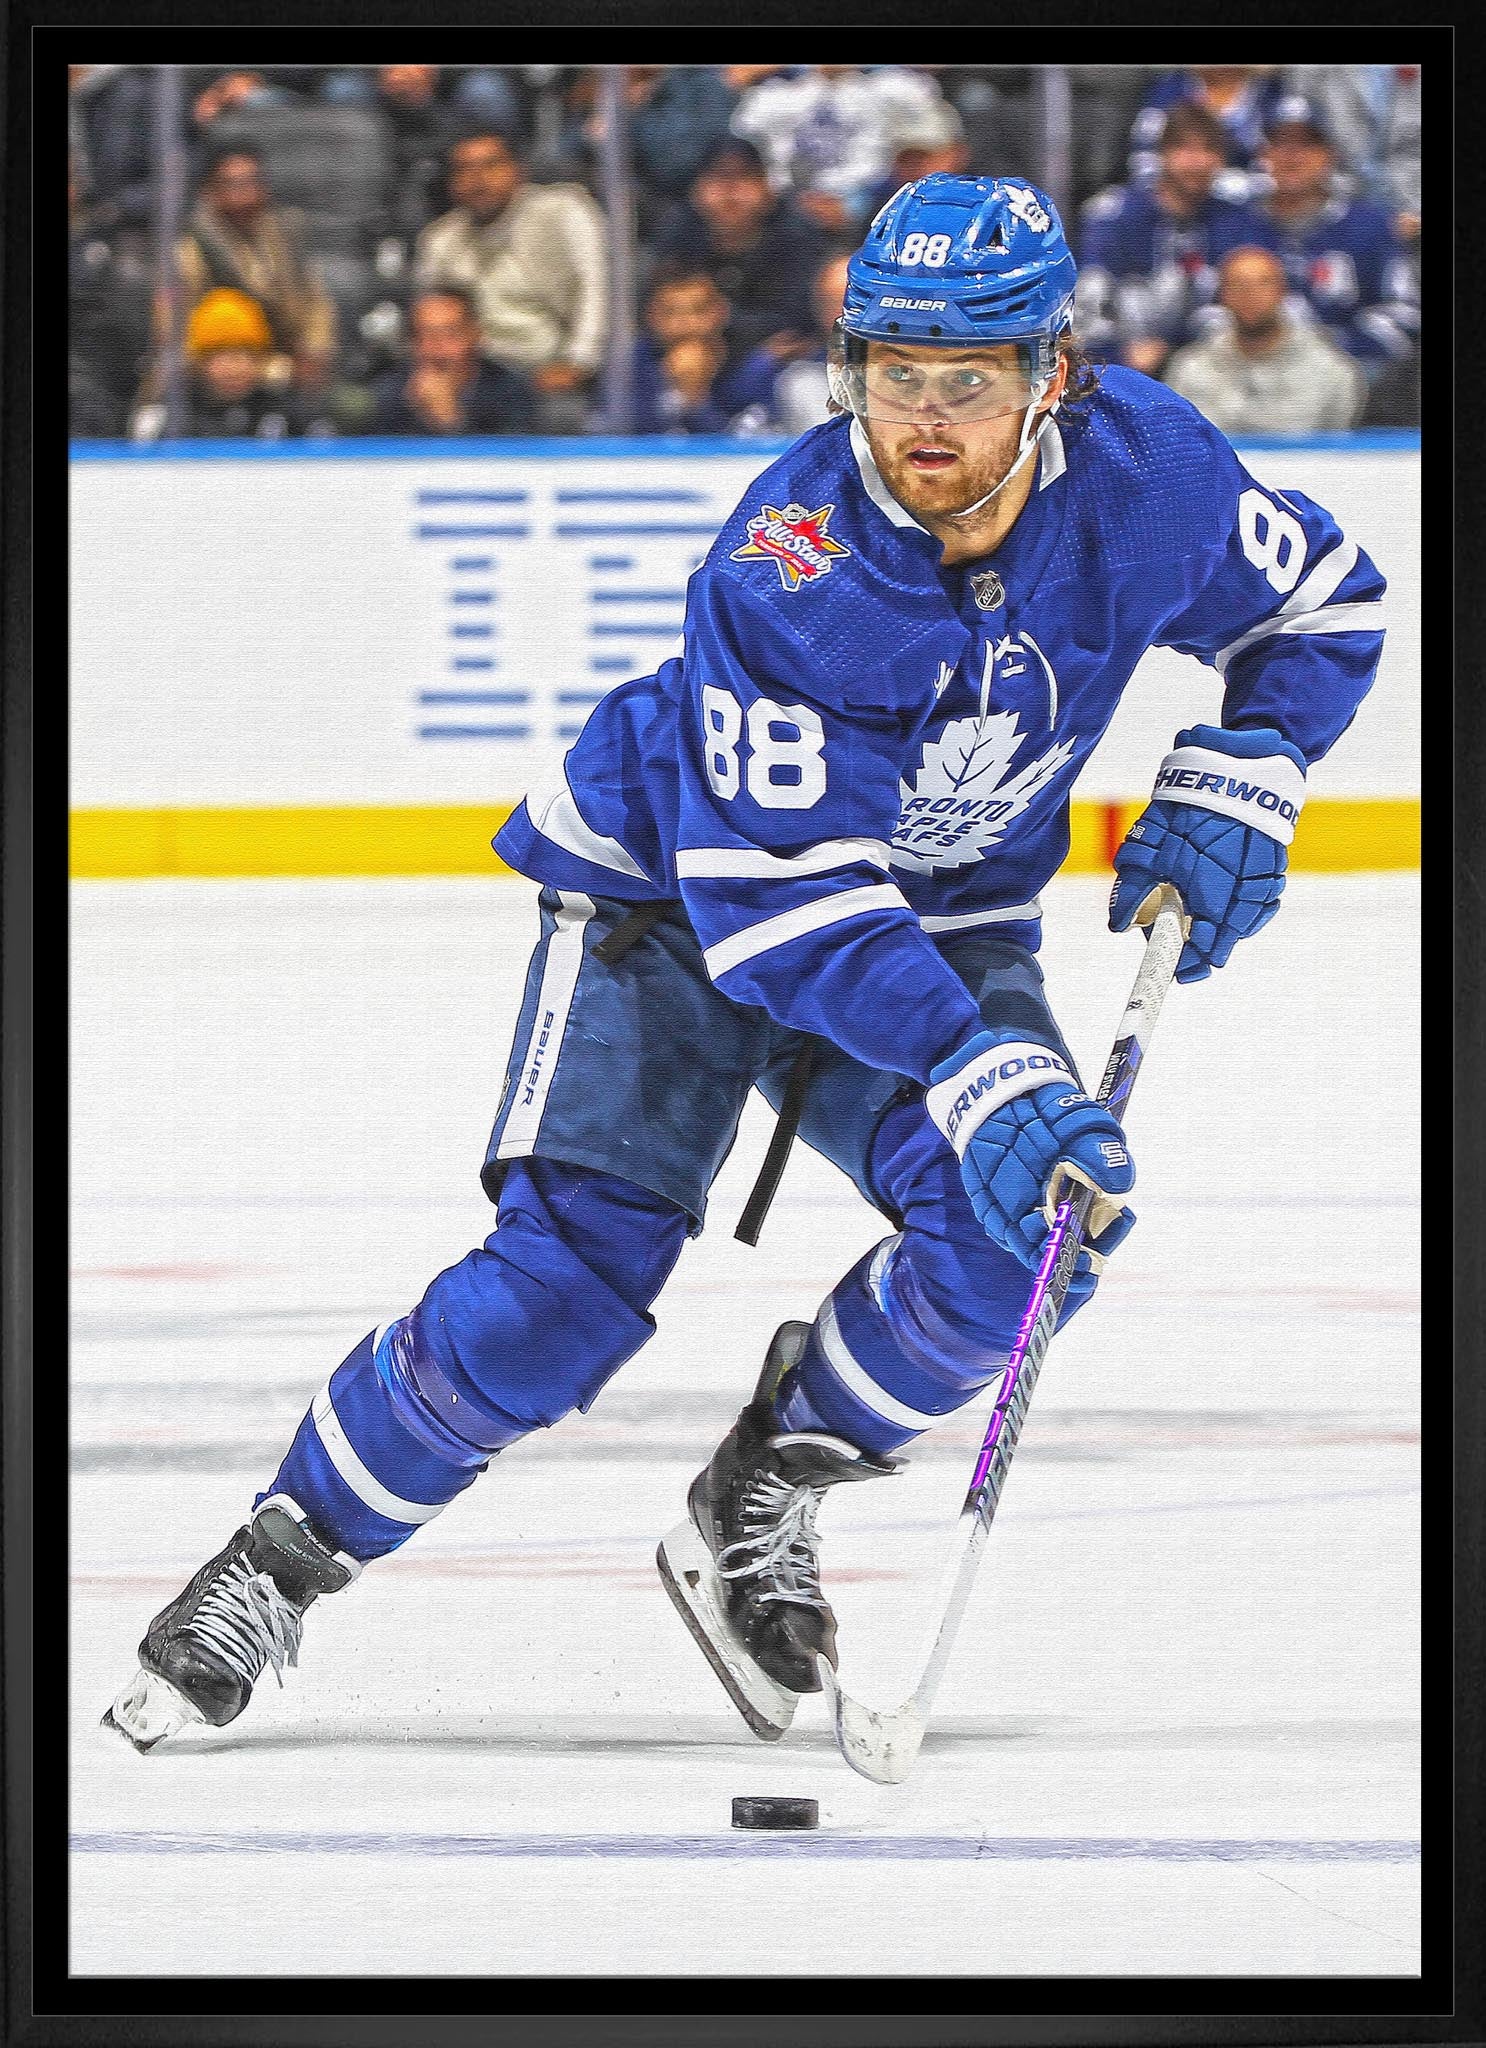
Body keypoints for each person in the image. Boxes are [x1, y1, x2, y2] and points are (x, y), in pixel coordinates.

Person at [105, 173, 1386, 1754]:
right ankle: (279, 1558)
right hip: (674, 907)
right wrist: (974, 1063)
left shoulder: (1148, 474)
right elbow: (780, 908)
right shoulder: (792, 566)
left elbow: (1321, 602)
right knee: (562, 1294)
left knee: (1023, 1241)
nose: (922, 420)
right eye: (893, 373)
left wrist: (1254, 761)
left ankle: (763, 1486)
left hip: (937, 921)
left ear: (1053, 372)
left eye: (965, 379)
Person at [413, 121, 607, 433]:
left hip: (551, 366)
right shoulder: (440, 239)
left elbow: (598, 291)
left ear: (519, 170)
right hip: (477, 376)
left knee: (559, 415)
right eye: (465, 169)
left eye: (491, 165)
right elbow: (432, 318)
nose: (478, 179)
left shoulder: (563, 211)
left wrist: (578, 363)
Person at [1077, 102, 1263, 378]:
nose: (1198, 162)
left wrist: (1172, 349)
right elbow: (1087, 305)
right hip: (1116, 364)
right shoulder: (1113, 215)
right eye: (1186, 149)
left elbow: (1235, 308)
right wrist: (1118, 353)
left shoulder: (1236, 221)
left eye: (1209, 150)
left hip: (1209, 366)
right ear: (1163, 154)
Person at [1245, 94, 1419, 379]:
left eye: (1307, 143)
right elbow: (1206, 314)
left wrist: (1331, 349)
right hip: (1247, 368)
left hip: (1347, 369)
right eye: (1280, 143)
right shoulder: (1236, 223)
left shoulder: (1370, 224)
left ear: (1330, 154)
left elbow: (1404, 314)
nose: (1292, 156)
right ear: (1263, 154)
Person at [175, 143, 339, 396]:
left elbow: (314, 302)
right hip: (217, 370)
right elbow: (175, 330)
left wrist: (314, 350)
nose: (245, 195)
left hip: (285, 362)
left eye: (252, 182)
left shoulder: (283, 233)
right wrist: (218, 362)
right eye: (233, 184)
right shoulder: (192, 248)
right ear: (210, 191)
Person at [650, 136, 830, 358]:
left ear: (767, 188)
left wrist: (719, 320)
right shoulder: (679, 234)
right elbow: (658, 310)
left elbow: (799, 322)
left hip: (780, 361)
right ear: (696, 191)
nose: (730, 190)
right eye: (717, 177)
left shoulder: (797, 236)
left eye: (745, 176)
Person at [1164, 245, 1366, 435]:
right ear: (1222, 295)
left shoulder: (1333, 371)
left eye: (1263, 283)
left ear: (1283, 291)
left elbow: (1339, 448)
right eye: (1237, 284)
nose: (1250, 294)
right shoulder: (1190, 369)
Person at [729, 63, 949, 234]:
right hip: (792, 203)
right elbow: (738, 150)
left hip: (873, 201)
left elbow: (941, 150)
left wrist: (854, 206)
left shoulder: (895, 87)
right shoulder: (773, 94)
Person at [130, 287, 319, 441]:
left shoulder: (282, 412)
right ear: (200, 362)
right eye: (223, 354)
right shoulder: (171, 414)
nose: (236, 368)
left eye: (248, 354)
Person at [364, 285, 536, 435]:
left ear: (475, 335)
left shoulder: (510, 391)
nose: (437, 348)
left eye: (450, 334)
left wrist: (451, 421)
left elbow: (512, 458)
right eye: (424, 335)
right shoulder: (388, 393)